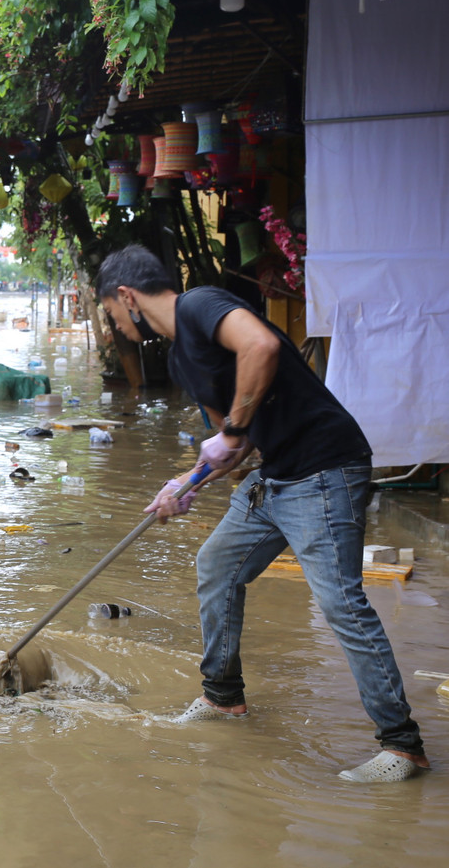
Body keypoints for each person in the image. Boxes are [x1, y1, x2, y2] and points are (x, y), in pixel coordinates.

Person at [96, 243, 428, 783]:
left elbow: (262, 346)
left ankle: (403, 746)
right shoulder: (182, 358)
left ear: (127, 297)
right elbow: (236, 443)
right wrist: (186, 483)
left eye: (110, 312)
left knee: (341, 604)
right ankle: (223, 699)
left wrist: (227, 434)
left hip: (324, 468)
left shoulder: (200, 306)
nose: (115, 324)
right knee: (217, 566)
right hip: (273, 476)